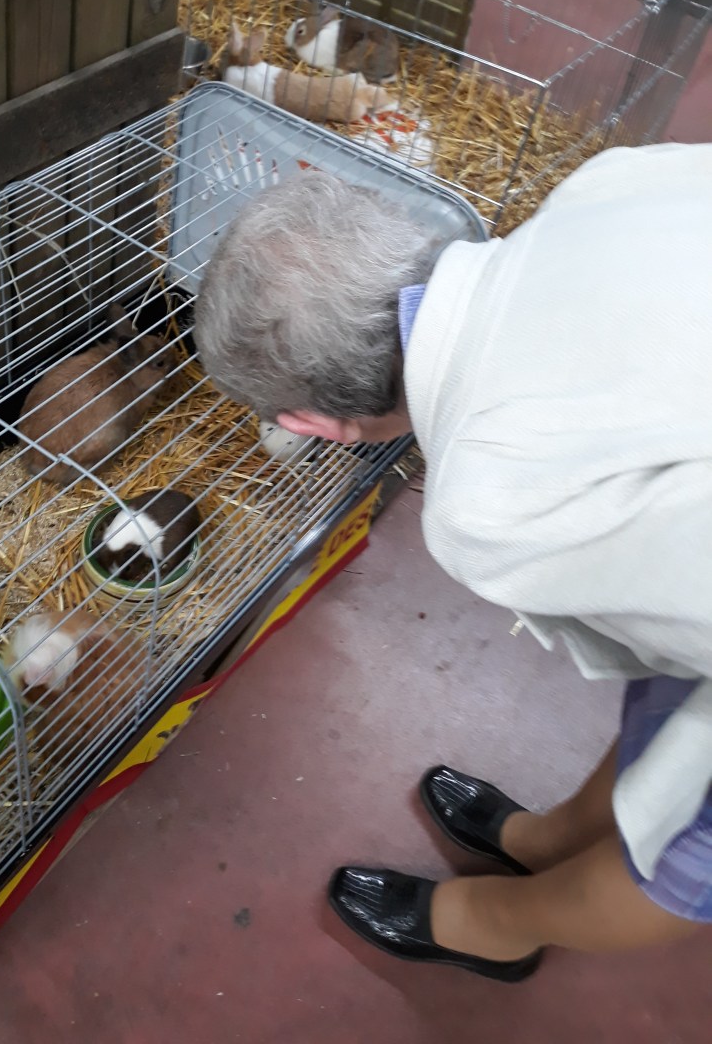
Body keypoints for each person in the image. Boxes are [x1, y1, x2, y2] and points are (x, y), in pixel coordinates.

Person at [193, 144, 712, 981]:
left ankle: (491, 923)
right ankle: (549, 837)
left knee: (682, 851)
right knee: (672, 704)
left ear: (318, 427)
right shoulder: (599, 183)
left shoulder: (486, 503)